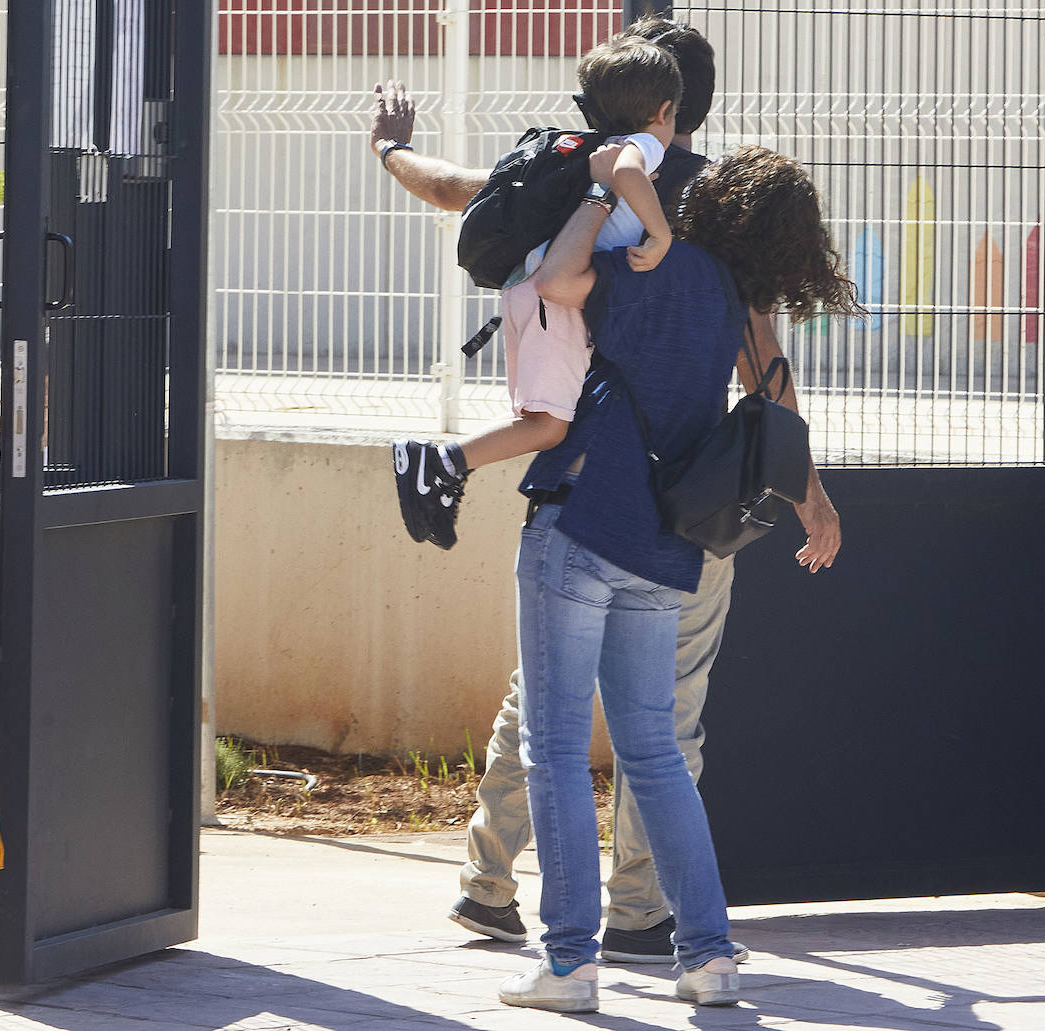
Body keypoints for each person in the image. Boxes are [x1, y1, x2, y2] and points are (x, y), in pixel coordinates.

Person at [368, 17, 842, 964]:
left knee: (539, 701)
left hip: (575, 484)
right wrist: (809, 491)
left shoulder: (573, 178)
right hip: (683, 503)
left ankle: (489, 883)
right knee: (666, 721)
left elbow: (457, 191)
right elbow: (766, 369)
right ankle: (639, 911)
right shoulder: (725, 209)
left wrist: (390, 149)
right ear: (691, 105)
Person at [497, 141, 862, 1012]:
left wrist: (595, 195)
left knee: (553, 748)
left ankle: (568, 964)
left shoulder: (657, 265)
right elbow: (778, 420)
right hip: (668, 553)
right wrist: (818, 501)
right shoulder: (740, 311)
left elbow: (554, 284)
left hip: (583, 525)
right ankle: (708, 955)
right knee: (655, 754)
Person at [390, 36, 682, 549]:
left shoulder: (582, 152)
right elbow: (630, 171)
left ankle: (441, 472)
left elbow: (455, 188)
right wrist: (660, 234)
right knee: (548, 426)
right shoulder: (643, 144)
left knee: (537, 418)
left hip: (525, 293)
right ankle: (439, 462)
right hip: (556, 305)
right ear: (663, 110)